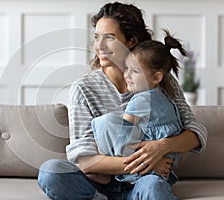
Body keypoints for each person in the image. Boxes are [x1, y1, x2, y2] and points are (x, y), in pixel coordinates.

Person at [38, 2, 207, 200]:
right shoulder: (84, 88)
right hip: (98, 185)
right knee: (51, 172)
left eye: (109, 38)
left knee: (153, 186)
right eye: (96, 37)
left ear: (131, 41)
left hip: (146, 181)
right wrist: (148, 161)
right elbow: (84, 159)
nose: (98, 46)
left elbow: (196, 132)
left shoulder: (160, 80)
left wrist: (162, 147)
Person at [91, 30, 187, 185]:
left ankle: (120, 171)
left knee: (106, 122)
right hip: (169, 160)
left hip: (148, 159)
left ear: (156, 77)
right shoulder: (165, 93)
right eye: (126, 68)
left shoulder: (141, 100)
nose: (127, 75)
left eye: (135, 71)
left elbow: (122, 130)